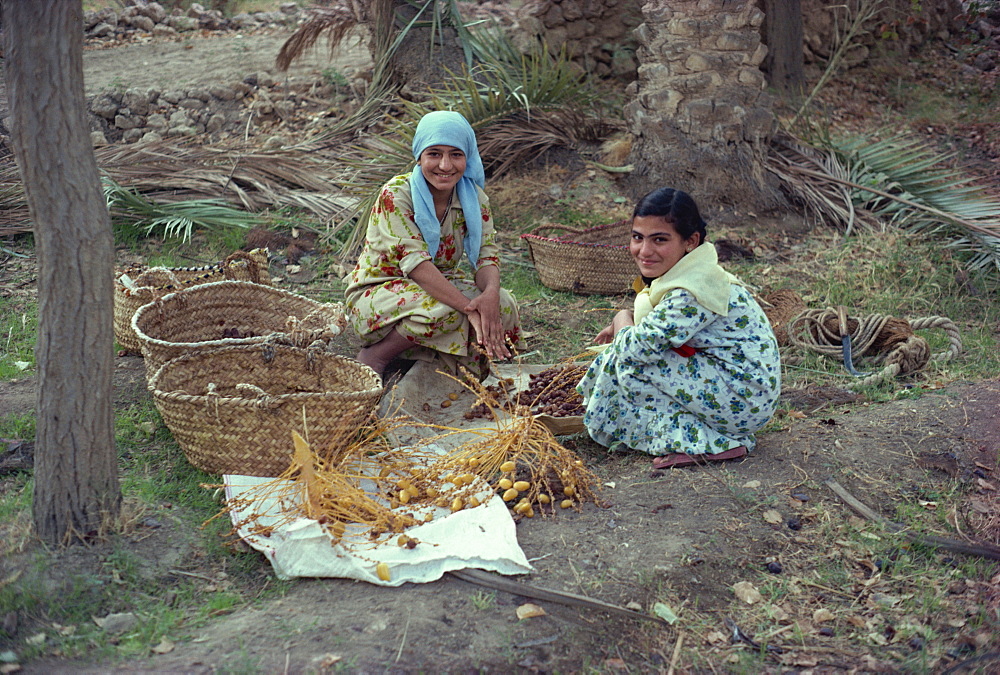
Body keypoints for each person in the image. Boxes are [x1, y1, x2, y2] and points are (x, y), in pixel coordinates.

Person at [576, 187, 780, 469]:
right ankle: (693, 433)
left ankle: (713, 443)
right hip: (740, 388)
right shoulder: (694, 272)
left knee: (627, 362)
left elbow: (634, 350)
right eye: (638, 238)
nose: (644, 251)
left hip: (744, 400)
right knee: (632, 354)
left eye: (659, 240)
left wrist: (623, 317)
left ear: (690, 241)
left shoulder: (691, 291)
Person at [344, 110, 521, 382]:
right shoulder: (396, 194)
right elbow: (415, 265)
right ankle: (377, 354)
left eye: (456, 154)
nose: (446, 165)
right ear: (419, 156)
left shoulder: (474, 197)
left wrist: (491, 295)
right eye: (434, 154)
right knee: (447, 310)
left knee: (505, 306)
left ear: (468, 157)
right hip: (381, 289)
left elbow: (487, 256)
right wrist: (469, 308)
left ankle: (424, 353)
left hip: (438, 284)